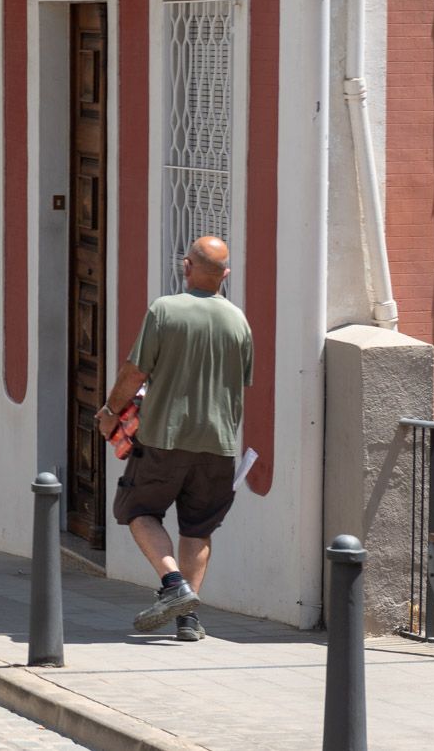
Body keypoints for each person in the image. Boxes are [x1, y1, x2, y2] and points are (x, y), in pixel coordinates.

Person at [98, 235, 253, 642]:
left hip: (165, 437)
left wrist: (112, 413)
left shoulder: (165, 310)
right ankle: (188, 619)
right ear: (226, 274)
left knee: (138, 510)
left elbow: (135, 371)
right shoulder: (239, 321)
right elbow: (242, 381)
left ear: (187, 267)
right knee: (198, 528)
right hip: (219, 443)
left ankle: (173, 585)